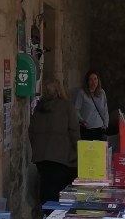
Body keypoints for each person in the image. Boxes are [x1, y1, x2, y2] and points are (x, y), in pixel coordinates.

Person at [29, 79, 80, 207]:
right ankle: (53, 215)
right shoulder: (67, 106)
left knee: (45, 185)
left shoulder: (38, 108)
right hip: (61, 156)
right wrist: (78, 151)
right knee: (59, 190)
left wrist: (37, 147)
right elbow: (74, 131)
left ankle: (45, 212)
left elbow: (31, 131)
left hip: (41, 156)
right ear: (60, 90)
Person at [74, 70, 109, 140]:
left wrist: (106, 124)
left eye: (95, 79)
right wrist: (81, 120)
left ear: (98, 80)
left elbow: (105, 109)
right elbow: (76, 109)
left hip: (99, 128)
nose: (93, 82)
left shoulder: (102, 92)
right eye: (91, 79)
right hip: (87, 129)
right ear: (87, 81)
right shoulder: (82, 93)